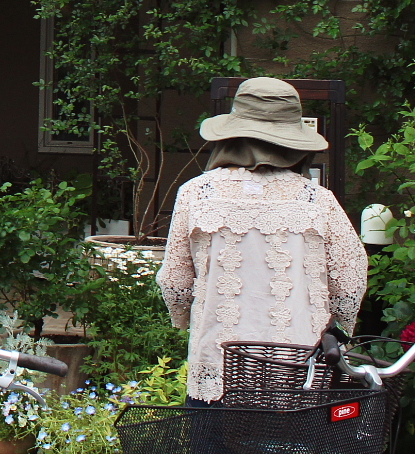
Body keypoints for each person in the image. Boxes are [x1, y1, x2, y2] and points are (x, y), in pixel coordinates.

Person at [157, 77, 368, 403]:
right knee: (294, 452)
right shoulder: (318, 200)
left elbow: (174, 282)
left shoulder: (196, 194)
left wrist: (183, 318)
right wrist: (343, 324)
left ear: (232, 135)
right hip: (299, 371)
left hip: (219, 365)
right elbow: (350, 282)